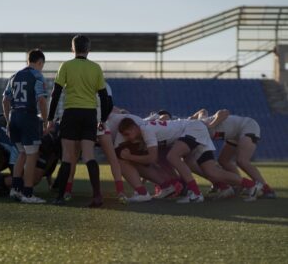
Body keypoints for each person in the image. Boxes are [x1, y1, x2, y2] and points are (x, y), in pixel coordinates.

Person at [117, 117, 263, 203]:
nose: (128, 138)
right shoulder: (145, 130)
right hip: (193, 130)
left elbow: (152, 157)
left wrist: (129, 157)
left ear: (134, 127)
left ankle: (195, 193)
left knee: (172, 156)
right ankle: (252, 185)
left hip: (193, 129)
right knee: (213, 173)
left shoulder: (146, 131)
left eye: (128, 134)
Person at [47, 34, 110, 207]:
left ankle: (60, 197)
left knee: (68, 156)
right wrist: (102, 119)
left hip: (71, 113)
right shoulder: (96, 68)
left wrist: (50, 118)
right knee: (89, 155)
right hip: (90, 114)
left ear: (72, 48)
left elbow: (56, 93)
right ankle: (97, 195)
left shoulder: (66, 66)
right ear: (89, 49)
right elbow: (104, 97)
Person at [193, 109, 276, 199]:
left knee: (242, 161)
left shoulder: (200, 125)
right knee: (223, 160)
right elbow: (203, 112)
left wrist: (211, 125)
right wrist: (192, 118)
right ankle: (239, 185)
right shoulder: (196, 128)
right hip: (234, 134)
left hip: (247, 126)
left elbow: (224, 112)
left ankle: (267, 189)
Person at [3, 49, 48, 204]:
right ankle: (28, 194)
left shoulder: (13, 76)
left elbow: (5, 100)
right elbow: (41, 100)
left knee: (21, 153)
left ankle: (15, 189)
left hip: (14, 117)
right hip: (28, 117)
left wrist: (8, 121)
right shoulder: (37, 76)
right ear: (40, 62)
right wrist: (46, 120)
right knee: (31, 155)